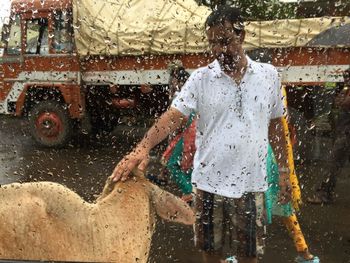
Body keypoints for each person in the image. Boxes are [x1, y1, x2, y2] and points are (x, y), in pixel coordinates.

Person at [111, 6, 292, 263]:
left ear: (241, 35)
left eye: (225, 41)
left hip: (252, 185)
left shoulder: (268, 76)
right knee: (210, 253)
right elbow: (174, 115)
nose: (219, 50)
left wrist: (283, 172)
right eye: (213, 44)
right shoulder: (201, 79)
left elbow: (276, 126)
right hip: (208, 186)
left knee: (249, 255)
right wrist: (143, 147)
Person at [307, 67, 350, 204]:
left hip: (345, 134)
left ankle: (324, 194)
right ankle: (324, 193)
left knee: (333, 164)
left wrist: (342, 99)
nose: (346, 80)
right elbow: (339, 102)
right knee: (333, 164)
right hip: (343, 132)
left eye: (347, 77)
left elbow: (343, 103)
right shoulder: (345, 89)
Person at [160, 63, 195, 203]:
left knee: (171, 162)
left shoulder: (179, 96)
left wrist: (172, 134)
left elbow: (179, 120)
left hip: (189, 132)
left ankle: (189, 191)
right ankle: (194, 190)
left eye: (173, 79)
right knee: (191, 163)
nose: (171, 82)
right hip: (197, 131)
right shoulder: (193, 92)